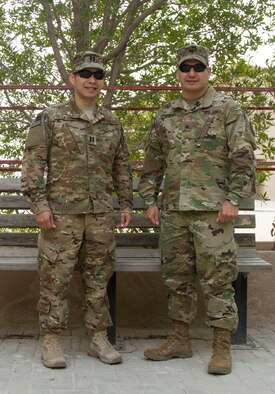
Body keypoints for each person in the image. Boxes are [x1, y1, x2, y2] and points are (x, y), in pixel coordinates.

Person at [138, 44, 256, 375]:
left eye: (198, 67)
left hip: (213, 214)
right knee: (176, 279)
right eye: (185, 67)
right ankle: (179, 339)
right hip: (174, 212)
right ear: (177, 73)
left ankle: (221, 347)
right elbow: (152, 163)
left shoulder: (228, 109)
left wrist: (234, 198)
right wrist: (148, 199)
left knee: (217, 279)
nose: (192, 73)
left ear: (207, 72)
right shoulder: (165, 114)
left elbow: (243, 156)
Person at [21, 51, 133, 368]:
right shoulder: (50, 118)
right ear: (73, 78)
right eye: (86, 73)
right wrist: (40, 206)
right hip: (60, 216)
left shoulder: (111, 122)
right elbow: (32, 166)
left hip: (99, 215)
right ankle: (52, 341)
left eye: (98, 75)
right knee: (54, 280)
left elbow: (121, 166)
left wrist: (125, 202)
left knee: (99, 279)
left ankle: (98, 338)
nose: (92, 80)